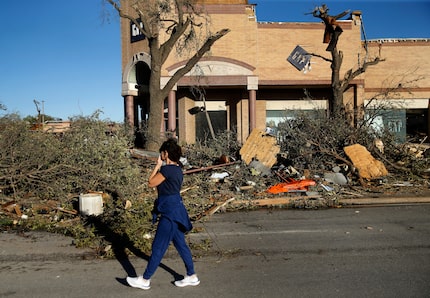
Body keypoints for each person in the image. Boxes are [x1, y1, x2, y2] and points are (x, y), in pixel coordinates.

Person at [126, 139, 200, 290]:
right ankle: (191, 275)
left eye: (162, 153)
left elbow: (151, 182)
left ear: (166, 153)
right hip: (176, 209)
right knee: (181, 244)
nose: (161, 155)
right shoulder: (178, 169)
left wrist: (158, 165)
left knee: (158, 246)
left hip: (170, 212)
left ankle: (145, 280)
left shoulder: (167, 170)